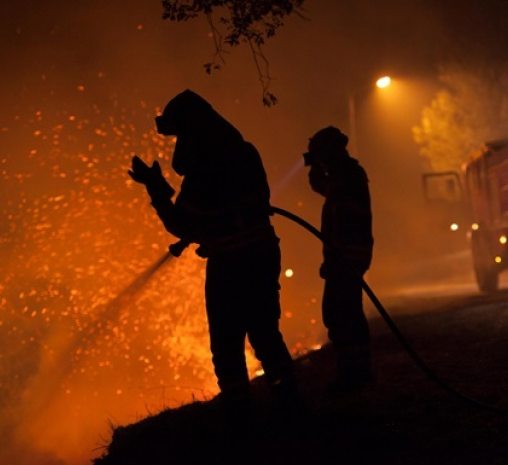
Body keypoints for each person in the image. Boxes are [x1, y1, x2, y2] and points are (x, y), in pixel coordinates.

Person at [128, 89, 297, 414]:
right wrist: (209, 232)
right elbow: (234, 211)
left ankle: (238, 416)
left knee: (227, 342)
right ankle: (288, 401)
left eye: (182, 134)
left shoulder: (204, 173)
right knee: (264, 332)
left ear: (194, 130)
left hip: (231, 266)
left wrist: (155, 188)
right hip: (261, 256)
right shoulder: (245, 154)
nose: (180, 144)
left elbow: (182, 223)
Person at [304, 126, 374, 393]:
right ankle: (356, 371)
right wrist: (314, 166)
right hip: (345, 256)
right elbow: (319, 185)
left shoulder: (347, 176)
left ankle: (354, 374)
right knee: (341, 313)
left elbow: (345, 222)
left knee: (342, 314)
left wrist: (336, 258)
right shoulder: (343, 175)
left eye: (320, 155)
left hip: (347, 256)